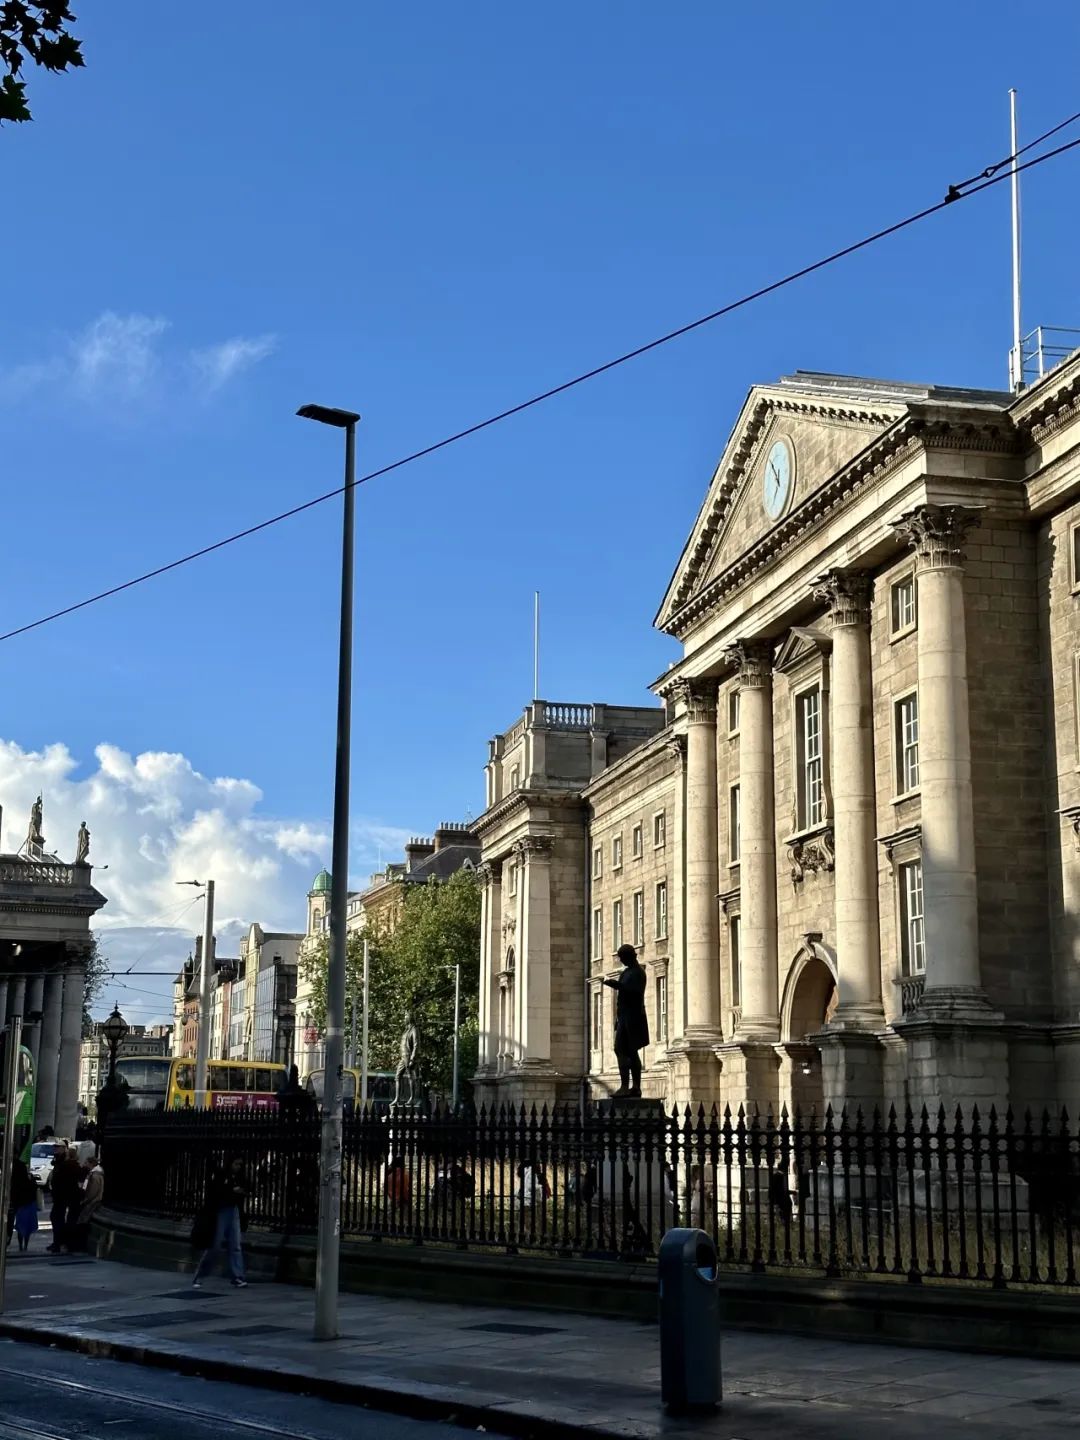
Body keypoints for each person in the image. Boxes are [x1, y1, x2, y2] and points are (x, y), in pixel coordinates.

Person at [192, 1157, 248, 1289]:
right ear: (230, 1163)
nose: (238, 1167)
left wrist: (240, 1192)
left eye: (240, 1164)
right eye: (236, 1164)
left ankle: (237, 1276)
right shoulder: (221, 1175)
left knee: (235, 1245)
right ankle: (200, 1275)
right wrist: (232, 1191)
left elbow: (246, 1190)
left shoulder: (240, 1177)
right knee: (215, 1246)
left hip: (233, 1210)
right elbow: (215, 1192)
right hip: (220, 1211)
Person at [602, 943, 650, 1098]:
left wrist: (615, 984)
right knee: (629, 1050)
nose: (621, 960)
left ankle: (626, 1086)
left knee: (621, 1049)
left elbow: (634, 991)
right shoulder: (628, 972)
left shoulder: (638, 972)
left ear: (630, 956)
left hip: (633, 1017)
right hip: (625, 1016)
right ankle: (634, 1087)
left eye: (622, 957)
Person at [47, 1146, 82, 1254]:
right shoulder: (75, 1166)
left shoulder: (65, 1166)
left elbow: (59, 1181)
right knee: (64, 1219)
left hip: (62, 1197)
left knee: (57, 1219)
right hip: (69, 1197)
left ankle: (59, 1243)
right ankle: (62, 1243)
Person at [69, 1154, 104, 1253]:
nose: (84, 1164)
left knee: (82, 1223)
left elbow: (92, 1192)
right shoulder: (95, 1174)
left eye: (86, 1163)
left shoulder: (95, 1176)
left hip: (91, 1203)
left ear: (91, 1164)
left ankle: (80, 1246)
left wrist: (84, 1200)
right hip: (92, 1202)